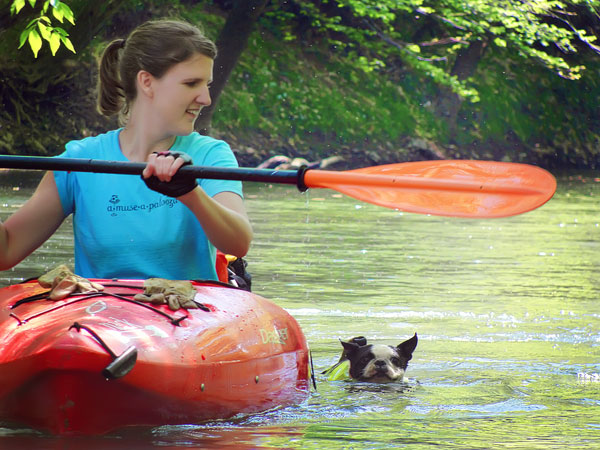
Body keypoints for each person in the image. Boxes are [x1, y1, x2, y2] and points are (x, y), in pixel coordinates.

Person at [0, 19, 253, 281]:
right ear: (146, 82)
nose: (206, 99)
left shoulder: (211, 155)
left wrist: (190, 193)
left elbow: (238, 244)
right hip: (98, 317)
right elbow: (6, 250)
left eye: (207, 85)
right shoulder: (78, 161)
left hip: (188, 311)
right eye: (191, 84)